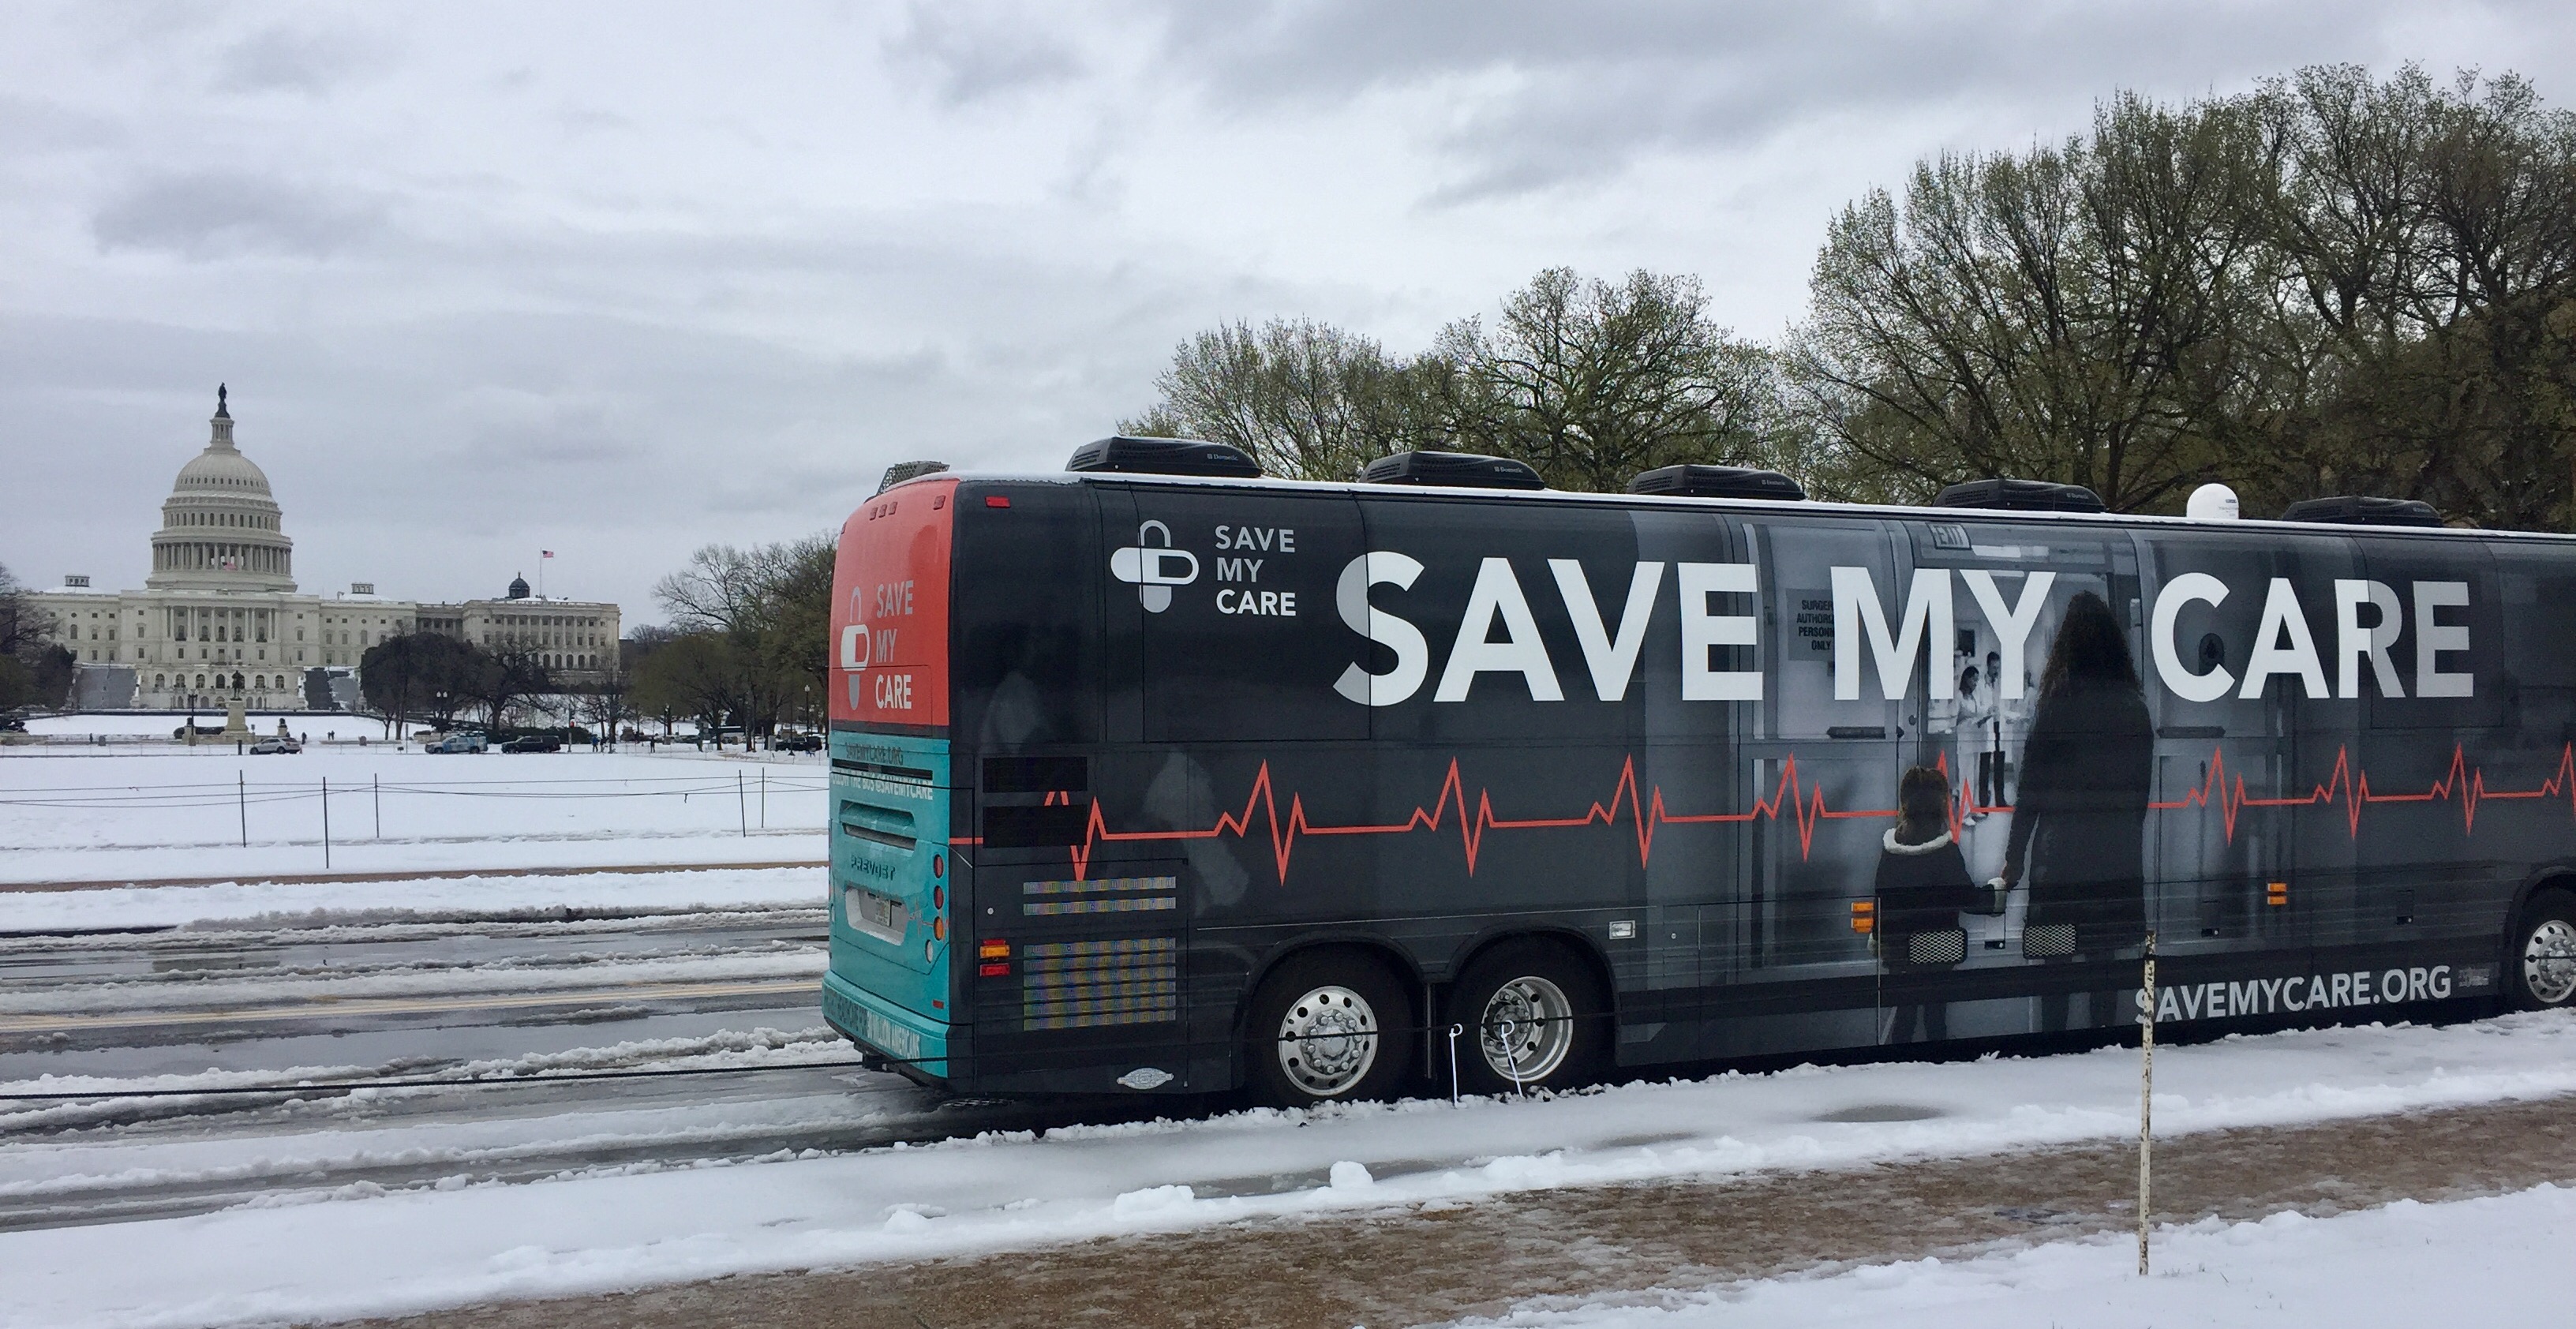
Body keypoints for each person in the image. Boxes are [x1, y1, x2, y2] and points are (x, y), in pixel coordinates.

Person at [1999, 590, 2155, 1031]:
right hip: (2115, 859)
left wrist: (2014, 859)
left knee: (2055, 969)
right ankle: (2101, 1047)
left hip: (2061, 860)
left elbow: (2031, 792)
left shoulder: (2056, 709)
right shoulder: (2134, 710)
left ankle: (2056, 1052)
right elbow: (2139, 799)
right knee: (2104, 968)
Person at [1876, 765, 1993, 1043]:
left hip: (1899, 949)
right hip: (1938, 948)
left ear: (1905, 802)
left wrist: (1881, 940)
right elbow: (1967, 899)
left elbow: (1881, 898)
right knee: (1935, 1017)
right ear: (1940, 805)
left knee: (1904, 1017)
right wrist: (1994, 893)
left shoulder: (1891, 850)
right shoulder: (1945, 852)